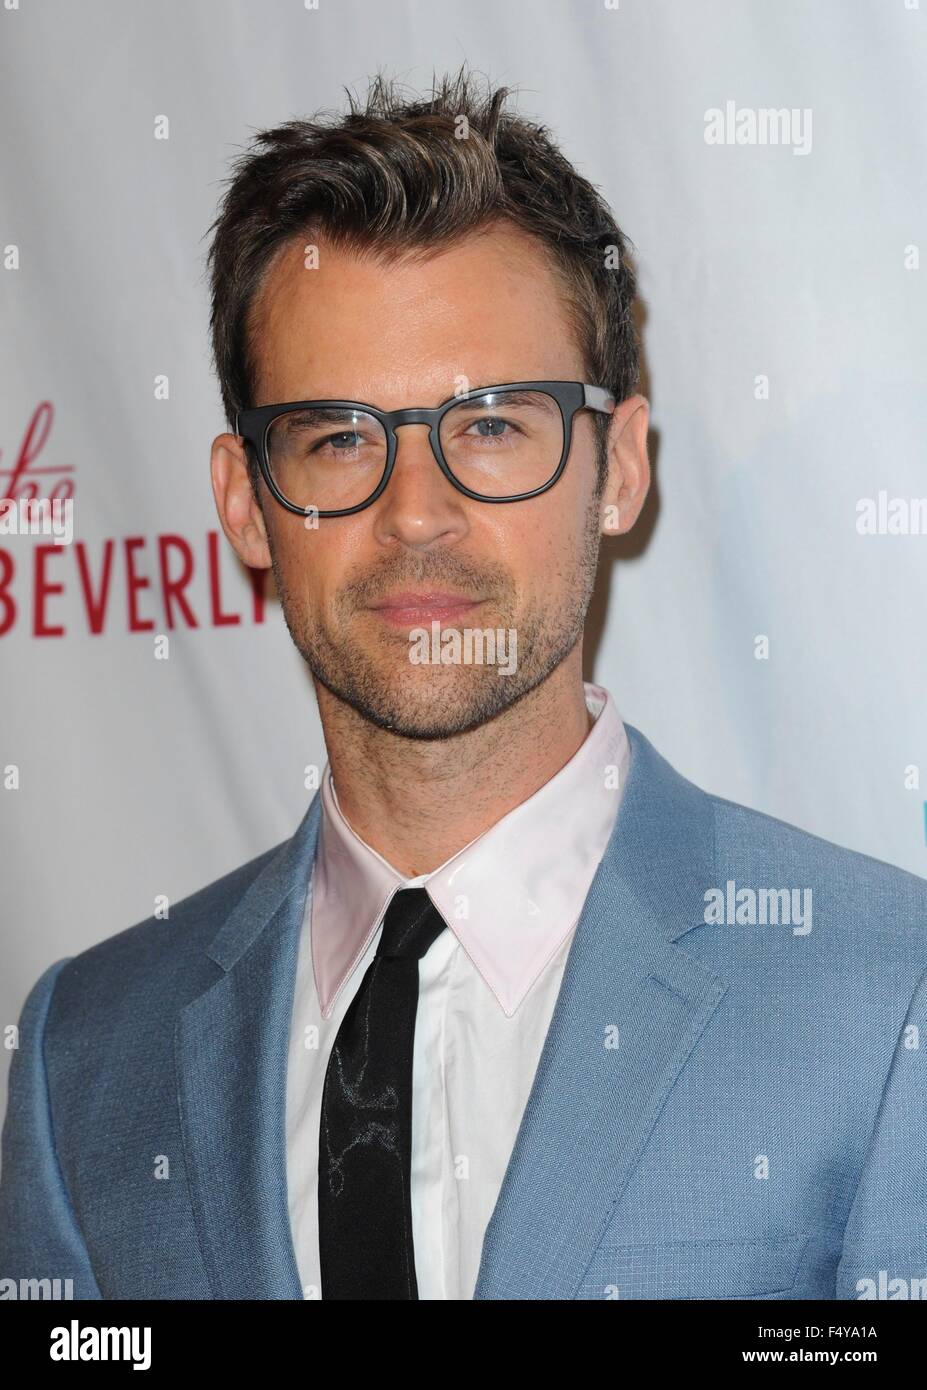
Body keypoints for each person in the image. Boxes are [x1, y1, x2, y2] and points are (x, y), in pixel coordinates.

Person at [1, 67, 925, 1302]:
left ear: (619, 469)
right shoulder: (86, 1056)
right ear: (245, 502)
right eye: (338, 437)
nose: (416, 515)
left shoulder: (882, 997)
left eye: (492, 425)